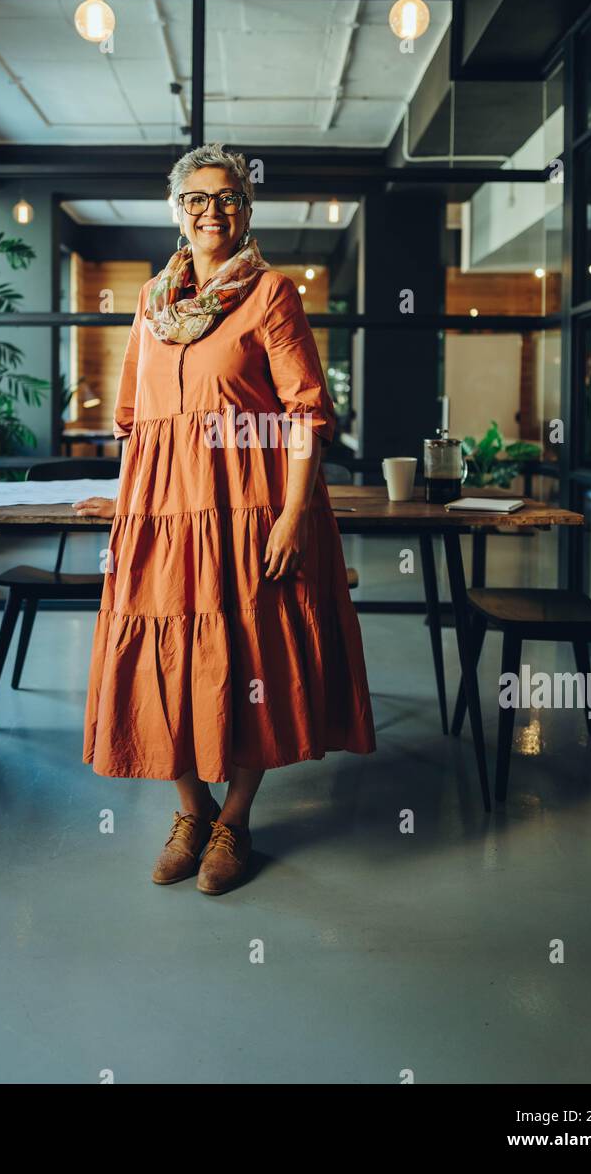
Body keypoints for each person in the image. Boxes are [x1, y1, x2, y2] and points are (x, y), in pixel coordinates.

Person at [74, 143, 375, 894]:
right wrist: (128, 501)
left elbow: (303, 416)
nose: (214, 210)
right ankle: (192, 810)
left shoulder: (270, 293)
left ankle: (234, 822)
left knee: (248, 659)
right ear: (177, 212)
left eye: (229, 197)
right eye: (199, 198)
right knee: (158, 658)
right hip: (158, 511)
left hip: (248, 504)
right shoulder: (149, 301)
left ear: (247, 210)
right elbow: (138, 420)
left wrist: (292, 517)